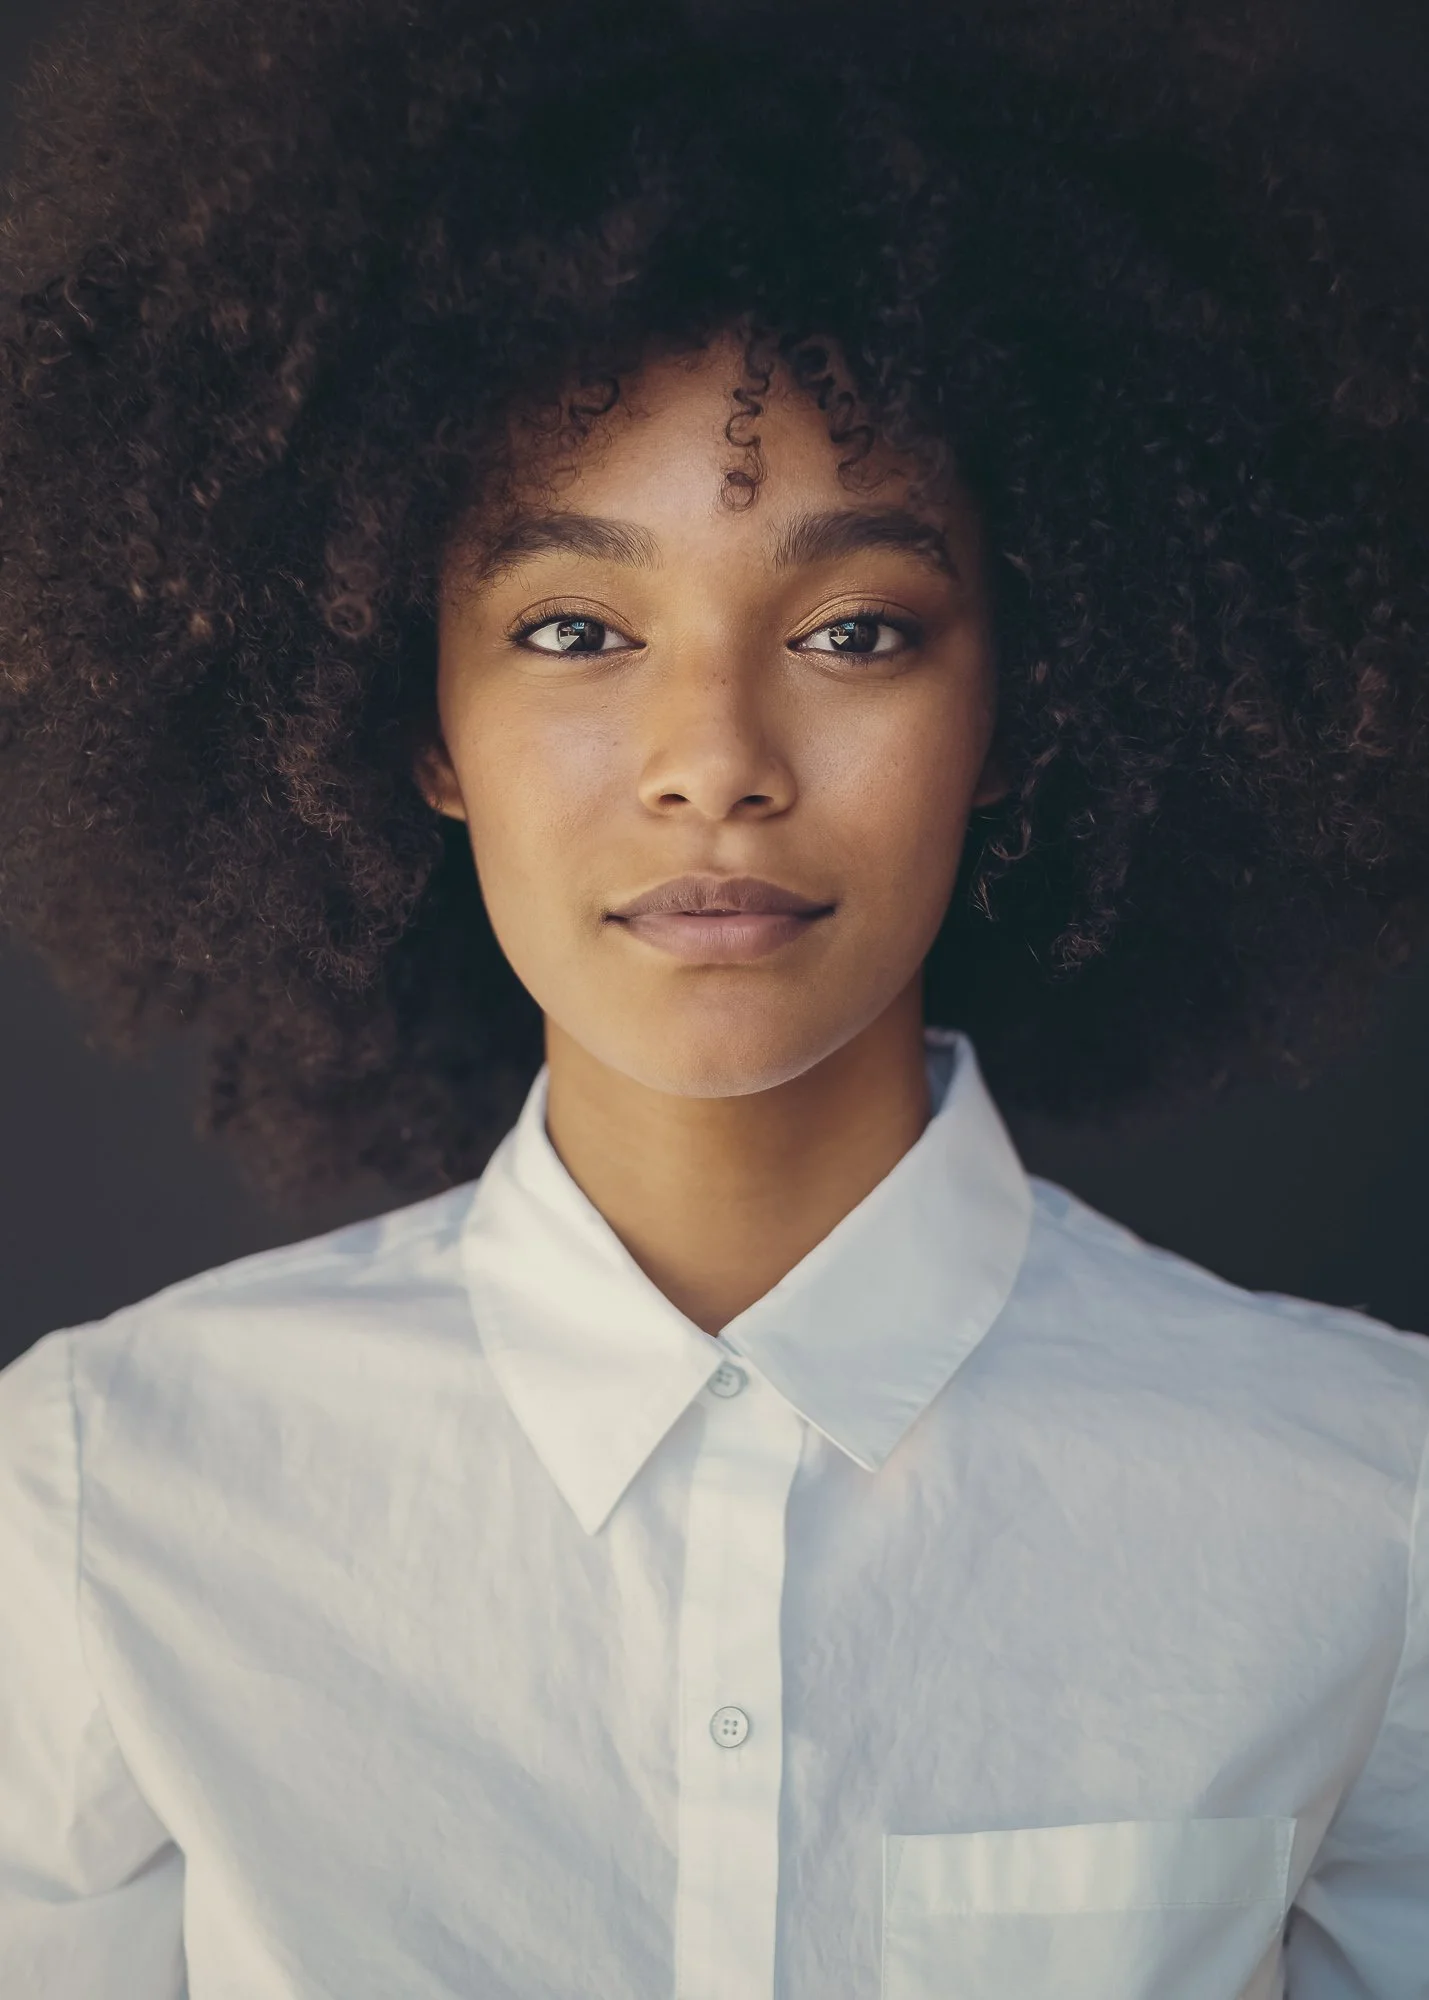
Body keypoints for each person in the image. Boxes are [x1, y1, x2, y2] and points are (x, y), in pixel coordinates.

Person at [0, 0, 1426, 1993]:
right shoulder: (99, 1499)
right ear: (417, 718)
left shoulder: (1373, 1510)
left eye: (856, 630)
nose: (714, 762)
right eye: (574, 629)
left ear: (1024, 698)